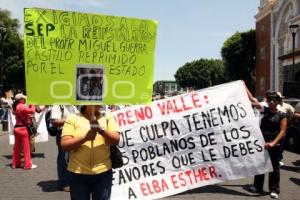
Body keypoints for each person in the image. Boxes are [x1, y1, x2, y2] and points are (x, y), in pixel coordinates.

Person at [61, 105, 120, 200]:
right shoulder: (73, 118)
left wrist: (101, 130)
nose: (99, 103)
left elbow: (116, 140)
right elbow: (64, 145)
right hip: (77, 174)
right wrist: (85, 138)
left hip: (103, 173)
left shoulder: (108, 117)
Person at [247, 91, 287, 199]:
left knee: (274, 167)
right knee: (260, 165)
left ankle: (274, 190)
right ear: (267, 101)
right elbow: (252, 101)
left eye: (274, 100)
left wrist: (273, 143)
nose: (272, 102)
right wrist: (243, 86)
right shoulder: (264, 110)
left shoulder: (282, 114)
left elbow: (282, 131)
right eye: (270, 100)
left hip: (275, 144)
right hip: (262, 143)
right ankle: (257, 186)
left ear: (278, 101)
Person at [51, 105, 78, 192]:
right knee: (64, 159)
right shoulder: (58, 106)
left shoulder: (73, 105)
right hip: (63, 134)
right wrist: (71, 119)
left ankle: (72, 180)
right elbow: (54, 122)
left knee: (72, 158)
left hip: (74, 133)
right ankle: (64, 183)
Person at [11, 93, 41, 170]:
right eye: (24, 98)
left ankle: (16, 163)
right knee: (26, 148)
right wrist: (32, 104)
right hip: (23, 129)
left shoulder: (16, 106)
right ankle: (27, 165)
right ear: (20, 99)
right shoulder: (21, 106)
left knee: (16, 148)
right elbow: (32, 111)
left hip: (17, 129)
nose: (25, 99)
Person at [276, 92, 294, 167]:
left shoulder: (287, 106)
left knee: (281, 145)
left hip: (283, 128)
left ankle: (279, 159)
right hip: (273, 129)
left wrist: (288, 124)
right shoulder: (272, 105)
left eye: (279, 98)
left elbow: (292, 114)